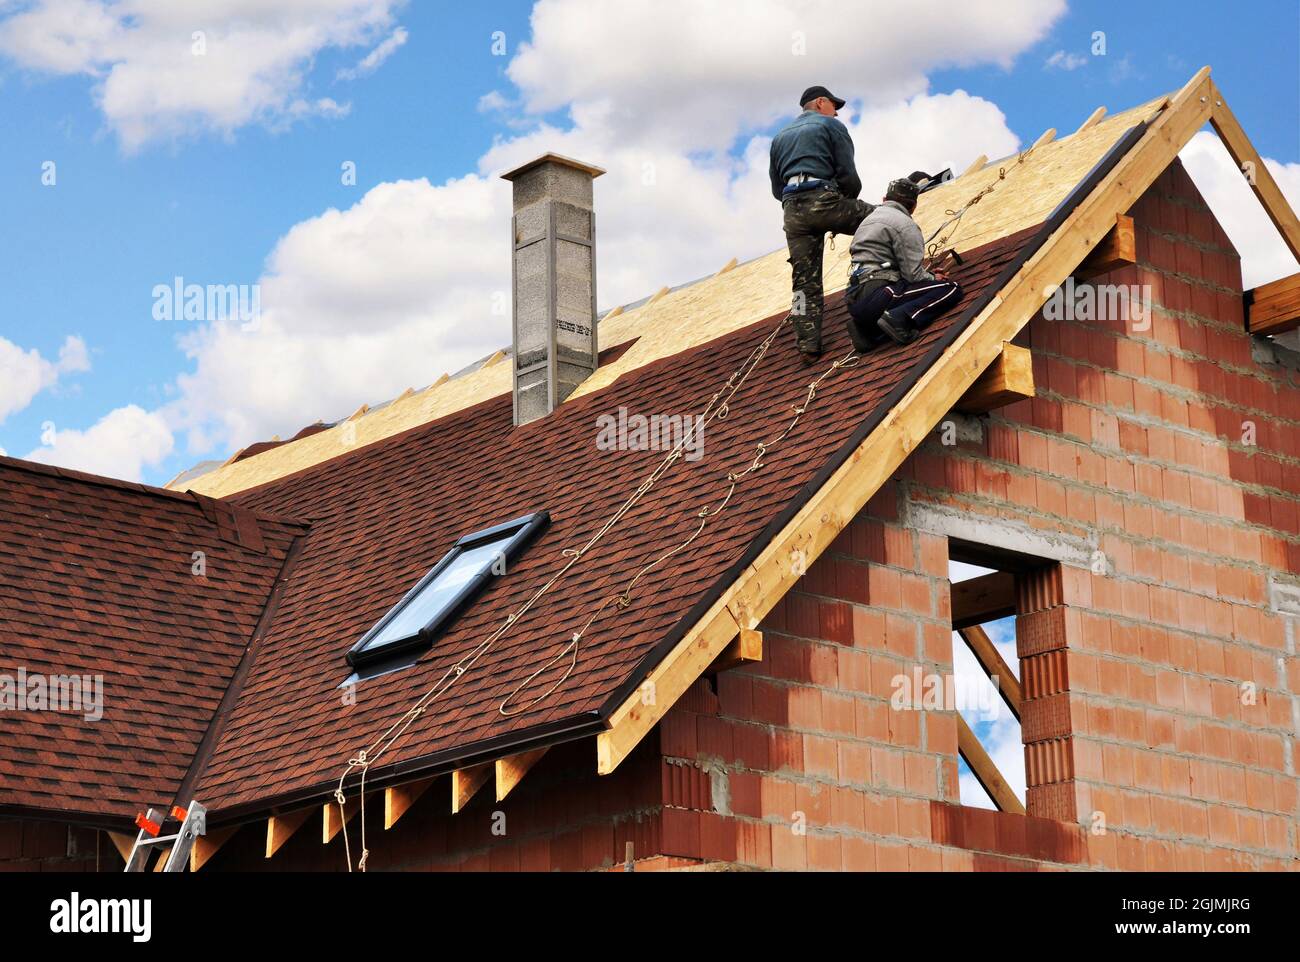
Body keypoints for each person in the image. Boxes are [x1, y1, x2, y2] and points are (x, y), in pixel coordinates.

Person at [769, 85, 873, 361]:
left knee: (804, 282)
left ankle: (808, 345)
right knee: (883, 219)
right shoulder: (829, 126)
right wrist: (843, 204)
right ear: (820, 103)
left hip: (792, 211)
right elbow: (848, 174)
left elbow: (776, 187)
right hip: (823, 198)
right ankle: (892, 280)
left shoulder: (779, 137)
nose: (836, 112)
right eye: (834, 106)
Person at [844, 174, 962, 350]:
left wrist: (928, 276)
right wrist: (933, 278)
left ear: (885, 199)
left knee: (892, 305)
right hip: (881, 292)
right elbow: (913, 275)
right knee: (951, 288)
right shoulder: (905, 225)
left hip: (855, 300)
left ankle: (866, 329)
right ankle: (900, 318)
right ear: (913, 206)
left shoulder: (867, 221)